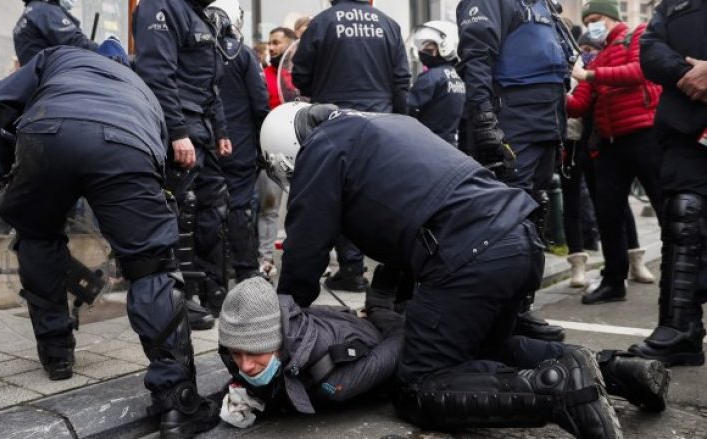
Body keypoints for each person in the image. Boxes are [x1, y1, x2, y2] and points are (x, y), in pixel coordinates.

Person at [262, 102, 669, 437]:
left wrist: (281, 319)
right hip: (517, 238)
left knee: (418, 386)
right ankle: (618, 372)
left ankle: (560, 391)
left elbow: (305, 248)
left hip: (469, 253)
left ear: (286, 153)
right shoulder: (387, 124)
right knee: (482, 352)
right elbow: (416, 209)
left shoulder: (321, 147)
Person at [0, 41, 219, 438]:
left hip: (46, 134)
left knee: (37, 234)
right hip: (126, 143)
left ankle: (57, 356)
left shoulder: (58, 57)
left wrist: (8, 170)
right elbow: (157, 164)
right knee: (151, 267)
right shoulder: (140, 87)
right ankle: (179, 403)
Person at [456, 0, 573, 341]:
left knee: (534, 215)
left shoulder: (541, 5)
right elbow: (476, 56)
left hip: (547, 118)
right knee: (509, 219)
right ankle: (497, 315)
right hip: (514, 119)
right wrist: (483, 118)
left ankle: (519, 308)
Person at [292, 0, 411, 292]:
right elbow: (401, 80)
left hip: (335, 120)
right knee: (384, 193)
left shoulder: (323, 22)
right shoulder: (388, 24)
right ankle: (391, 270)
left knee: (338, 192)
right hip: (380, 122)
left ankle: (351, 269)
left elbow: (300, 75)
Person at [133, 0, 232, 328]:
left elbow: (211, 82)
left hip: (203, 127)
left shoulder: (198, 14)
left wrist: (221, 131)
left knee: (214, 209)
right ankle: (178, 299)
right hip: (181, 125)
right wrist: (177, 131)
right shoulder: (159, 7)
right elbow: (158, 75)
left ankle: (213, 292)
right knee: (180, 210)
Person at [627, 0, 707, 366]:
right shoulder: (673, 5)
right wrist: (687, 75)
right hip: (686, 129)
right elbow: (650, 50)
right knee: (682, 217)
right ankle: (679, 329)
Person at [567, 0, 663, 305]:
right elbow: (579, 103)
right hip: (609, 143)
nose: (593, 25)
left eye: (597, 19)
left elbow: (639, 71)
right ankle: (613, 280)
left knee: (667, 208)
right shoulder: (593, 58)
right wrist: (553, 93)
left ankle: (685, 274)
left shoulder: (637, 35)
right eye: (588, 21)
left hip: (645, 135)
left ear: (611, 18)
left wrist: (592, 76)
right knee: (608, 214)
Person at [216, 277, 403, 428]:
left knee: (389, 319)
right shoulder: (274, 324)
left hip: (370, 334)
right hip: (335, 320)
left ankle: (380, 302)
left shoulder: (334, 383)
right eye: (236, 353)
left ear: (278, 343)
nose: (245, 365)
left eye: (255, 352)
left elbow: (400, 341)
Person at [211, 0, 270, 281]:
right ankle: (245, 269)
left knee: (204, 207)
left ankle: (213, 275)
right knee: (238, 207)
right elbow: (260, 104)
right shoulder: (243, 56)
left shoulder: (193, 53)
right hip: (240, 145)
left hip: (203, 143)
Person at [256, 26, 295, 278]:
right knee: (269, 208)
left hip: (301, 150)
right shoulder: (262, 75)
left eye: (276, 43)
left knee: (305, 208)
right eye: (269, 43)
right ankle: (266, 258)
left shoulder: (302, 77)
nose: (271, 47)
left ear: (290, 45)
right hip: (271, 151)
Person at [407, 20, 465, 145]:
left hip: (428, 145)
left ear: (445, 46)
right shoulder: (456, 76)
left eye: (429, 46)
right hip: (450, 145)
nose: (423, 51)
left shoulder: (431, 77)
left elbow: (408, 109)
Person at [13, 0, 98, 66]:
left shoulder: (26, 16)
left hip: (39, 81)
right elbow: (75, 41)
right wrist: (100, 50)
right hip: (55, 77)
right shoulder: (44, 10)